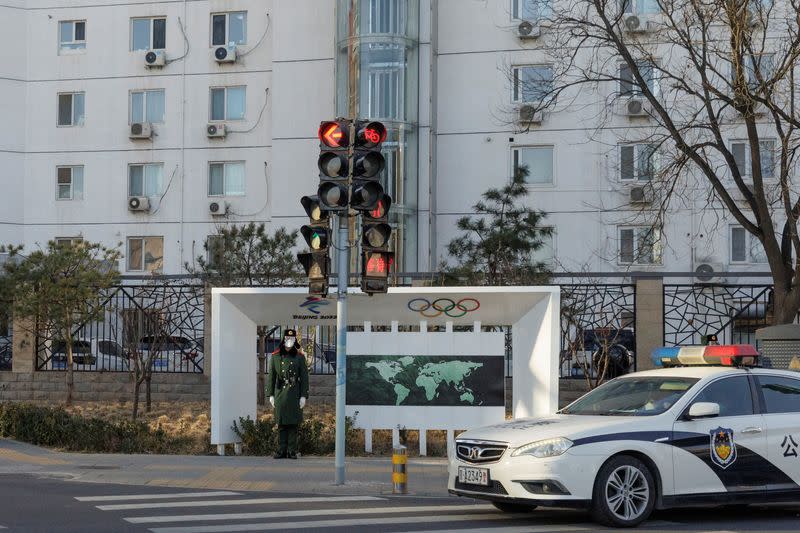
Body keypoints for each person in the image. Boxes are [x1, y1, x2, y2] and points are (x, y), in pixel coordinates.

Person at [266, 329, 309, 459]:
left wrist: (303, 395)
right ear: (283, 339)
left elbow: (304, 377)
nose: (289, 341)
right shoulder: (275, 356)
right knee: (282, 423)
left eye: (292, 339)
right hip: (280, 393)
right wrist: (271, 395)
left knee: (293, 424)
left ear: (295, 340)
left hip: (294, 392)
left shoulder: (300, 357)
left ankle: (291, 450)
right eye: (287, 339)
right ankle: (281, 450)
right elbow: (271, 377)